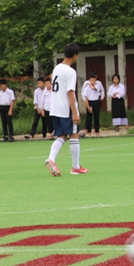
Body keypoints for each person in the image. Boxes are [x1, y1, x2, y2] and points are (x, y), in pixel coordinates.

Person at [45, 43, 86, 176]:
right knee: (74, 134)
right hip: (65, 107)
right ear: (75, 55)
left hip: (55, 107)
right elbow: (70, 92)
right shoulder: (70, 71)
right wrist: (75, 112)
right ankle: (75, 167)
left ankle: (51, 158)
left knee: (61, 135)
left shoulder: (57, 68)